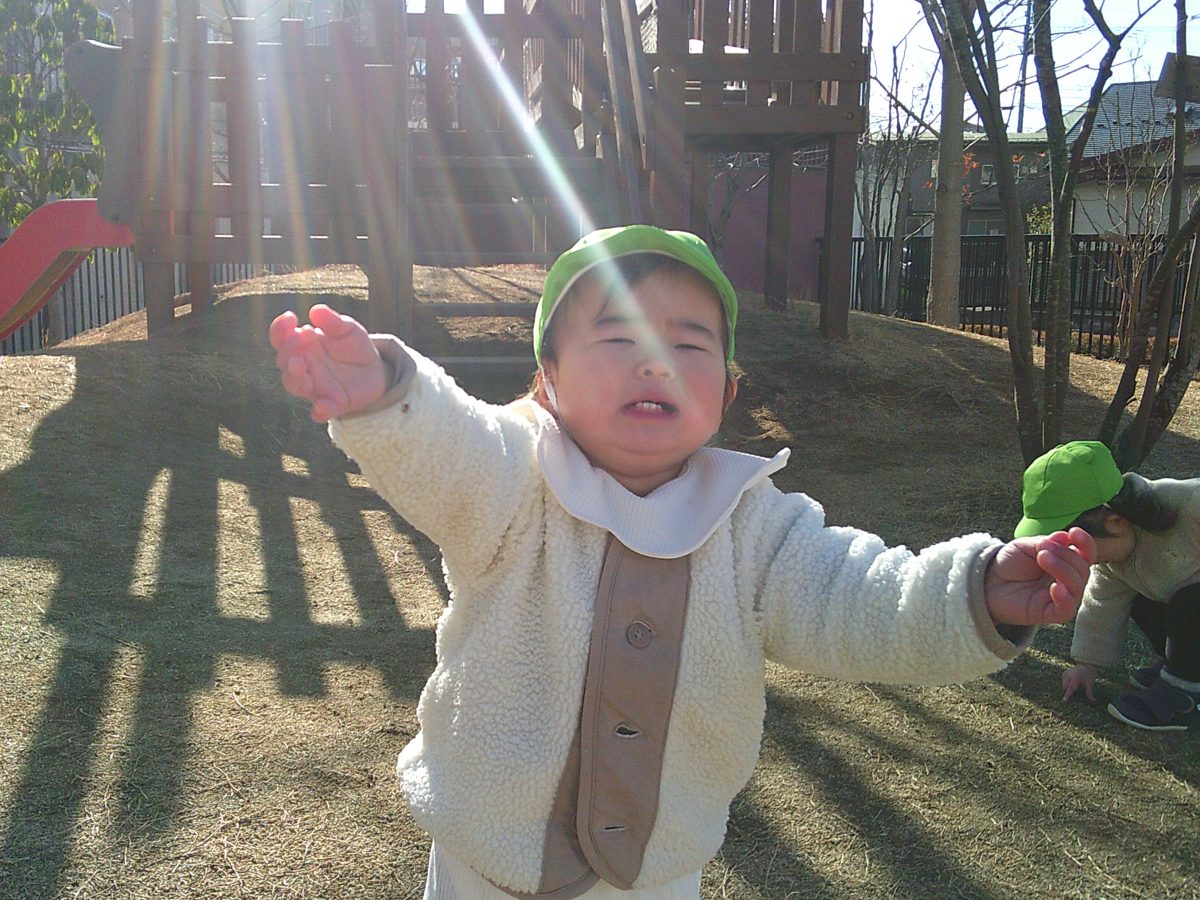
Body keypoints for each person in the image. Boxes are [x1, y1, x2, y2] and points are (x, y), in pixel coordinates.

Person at [270, 224, 1095, 899]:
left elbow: (858, 594)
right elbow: (452, 448)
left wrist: (977, 591)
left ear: (727, 394)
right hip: (485, 860)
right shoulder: (516, 482)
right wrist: (388, 395)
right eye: (617, 335)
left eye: (689, 343)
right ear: (548, 380)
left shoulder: (754, 527)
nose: (656, 361)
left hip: (654, 874)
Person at [1015, 440, 1199, 732]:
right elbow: (1101, 604)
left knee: (1192, 601)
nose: (1068, 557)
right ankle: (1182, 666)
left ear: (1115, 521)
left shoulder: (1189, 505)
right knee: (1141, 598)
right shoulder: (1115, 558)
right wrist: (1086, 665)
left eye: (1072, 544)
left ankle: (1184, 694)